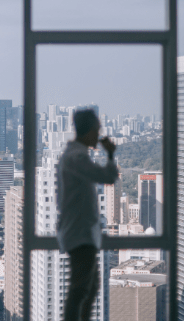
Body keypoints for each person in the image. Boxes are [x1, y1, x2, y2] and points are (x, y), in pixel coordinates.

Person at [57, 108, 119, 321]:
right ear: (89, 130)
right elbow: (108, 177)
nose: (99, 133)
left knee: (89, 289)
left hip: (80, 233)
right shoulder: (76, 158)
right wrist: (110, 154)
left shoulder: (74, 156)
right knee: (80, 291)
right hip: (80, 235)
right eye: (97, 129)